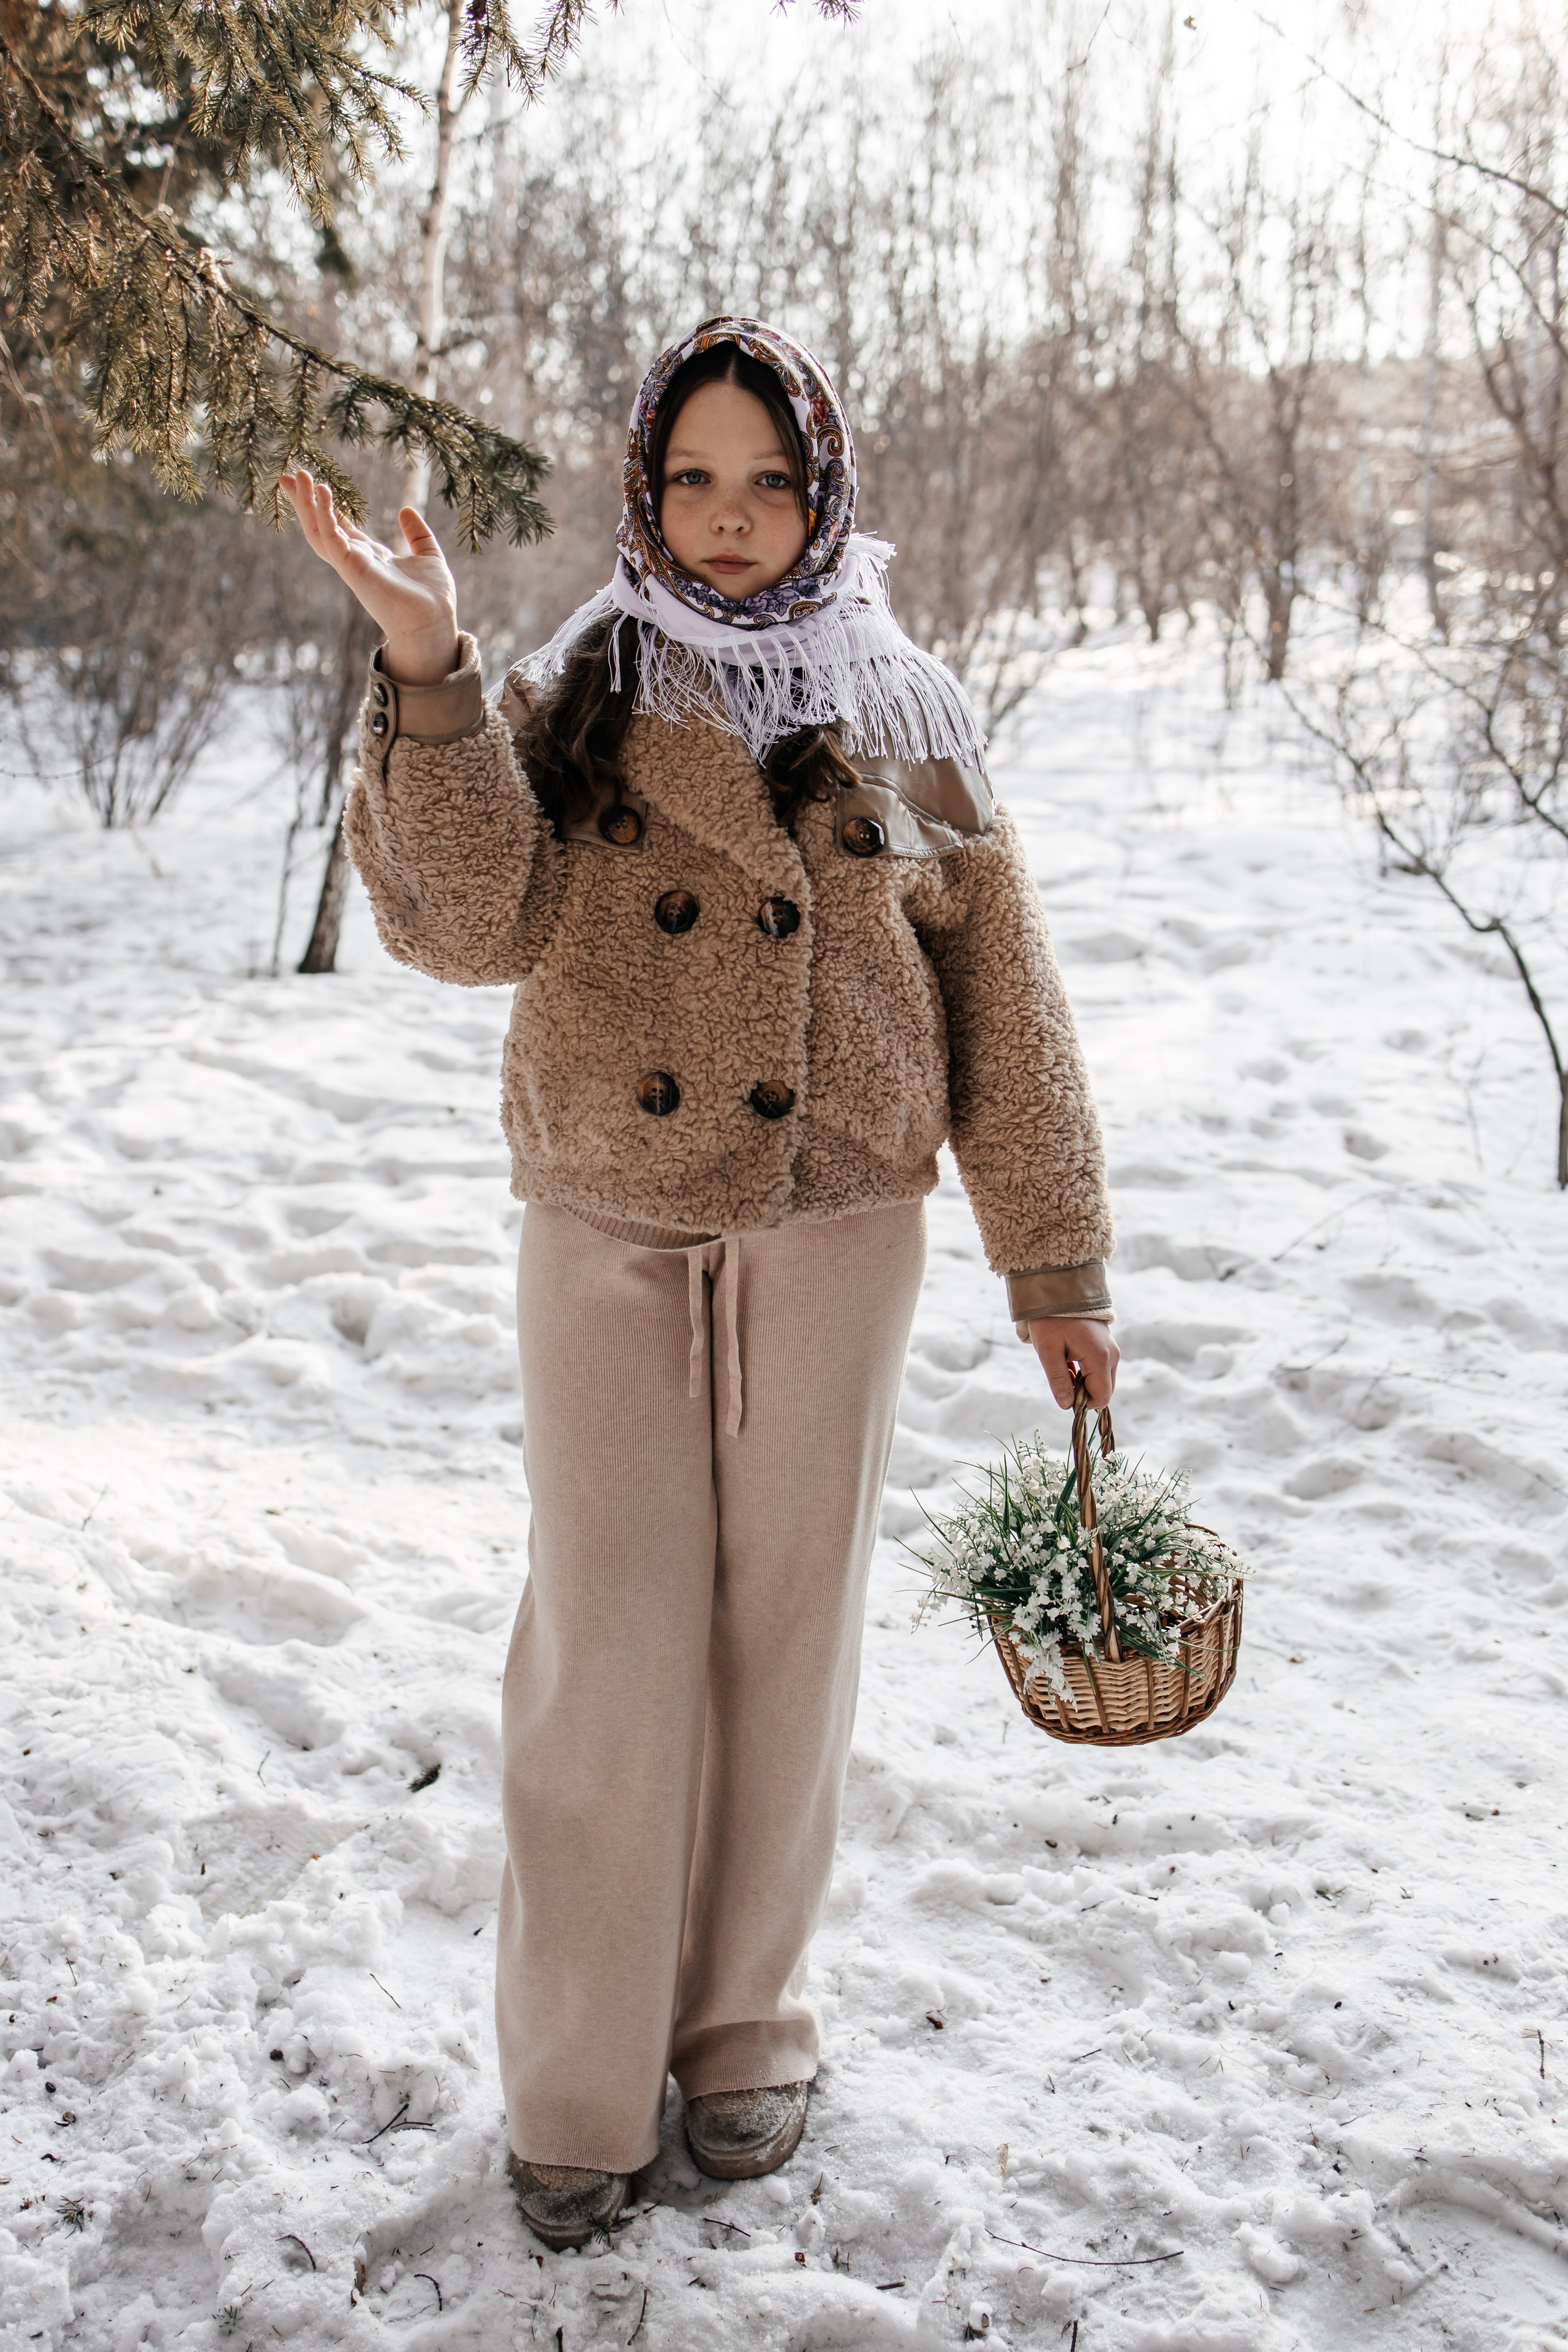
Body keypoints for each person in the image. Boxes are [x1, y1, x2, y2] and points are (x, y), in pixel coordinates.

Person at [279, 315, 1117, 2250]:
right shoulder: (580, 691)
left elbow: (1006, 996)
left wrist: (1055, 1259)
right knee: (607, 1643)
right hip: (610, 1216)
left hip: (840, 1221)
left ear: (825, 496)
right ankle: (577, 2080)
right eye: (690, 481)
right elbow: (468, 924)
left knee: (785, 1640)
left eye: (769, 482)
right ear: (643, 492)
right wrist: (426, 670)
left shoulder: (901, 710)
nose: (729, 522)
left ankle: (744, 2025)